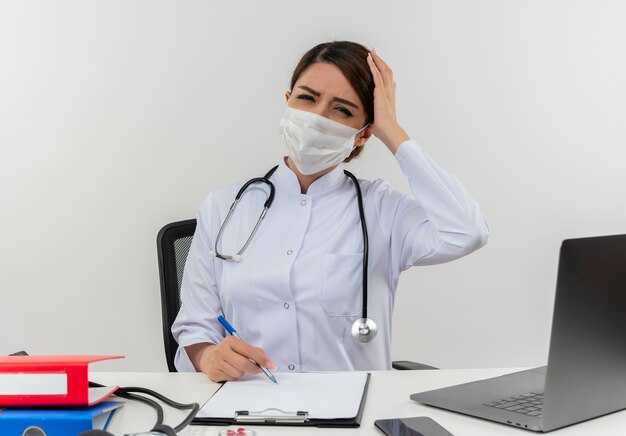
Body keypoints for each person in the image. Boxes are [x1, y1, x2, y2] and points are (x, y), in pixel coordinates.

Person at [171, 41, 489, 382]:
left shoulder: (383, 210)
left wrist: (393, 132)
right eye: (306, 98)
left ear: (364, 133)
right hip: (247, 408)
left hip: (353, 413)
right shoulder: (224, 206)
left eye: (342, 110)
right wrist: (208, 357)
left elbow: (467, 232)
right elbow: (195, 327)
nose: (317, 117)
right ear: (287, 102)